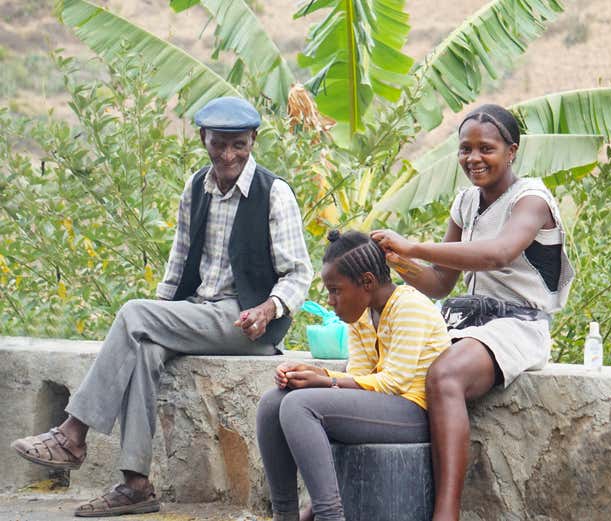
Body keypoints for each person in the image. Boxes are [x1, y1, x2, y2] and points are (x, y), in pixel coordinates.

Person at [11, 96, 313, 517]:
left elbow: (299, 274)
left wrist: (269, 309)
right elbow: (178, 262)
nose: (228, 155)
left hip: (246, 324)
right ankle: (135, 483)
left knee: (135, 313)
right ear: (203, 138)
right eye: (219, 144)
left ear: (253, 141)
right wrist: (160, 318)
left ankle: (72, 433)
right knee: (145, 346)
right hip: (199, 310)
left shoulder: (274, 193)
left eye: (239, 145)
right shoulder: (196, 189)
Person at [371, 104, 575, 521]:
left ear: (512, 151)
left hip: (517, 325)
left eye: (487, 148)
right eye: (465, 149)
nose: (474, 158)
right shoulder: (465, 202)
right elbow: (440, 283)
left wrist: (412, 245)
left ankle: (446, 514)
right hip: (462, 321)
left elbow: (498, 255)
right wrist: (398, 262)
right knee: (389, 367)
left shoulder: (531, 199)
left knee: (445, 375)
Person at [256, 230, 451, 521]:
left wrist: (327, 380)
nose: (331, 300)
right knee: (274, 401)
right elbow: (358, 375)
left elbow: (393, 382)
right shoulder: (362, 314)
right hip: (383, 409)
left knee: (299, 406)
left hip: (415, 412)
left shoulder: (409, 307)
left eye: (336, 290)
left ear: (367, 282)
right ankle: (285, 515)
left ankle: (329, 516)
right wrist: (314, 373)